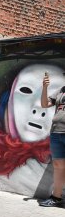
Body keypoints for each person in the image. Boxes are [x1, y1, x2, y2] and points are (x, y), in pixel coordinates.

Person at [39, 72, 65, 208]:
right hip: (56, 132)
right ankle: (56, 197)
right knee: (58, 166)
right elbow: (44, 104)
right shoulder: (61, 91)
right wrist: (45, 87)